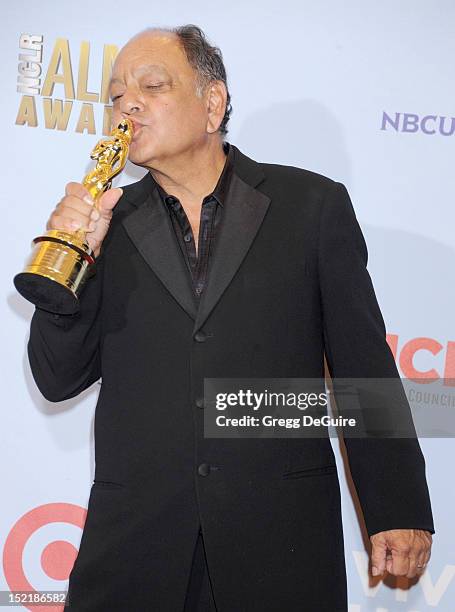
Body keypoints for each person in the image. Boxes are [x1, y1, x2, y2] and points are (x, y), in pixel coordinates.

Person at [27, 25, 434, 611]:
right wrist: (71, 256)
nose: (127, 104)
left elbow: (362, 367)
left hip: (280, 541)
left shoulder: (310, 207)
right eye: (116, 95)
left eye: (152, 85)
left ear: (212, 103)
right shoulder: (106, 224)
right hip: (136, 548)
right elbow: (56, 377)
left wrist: (396, 508)